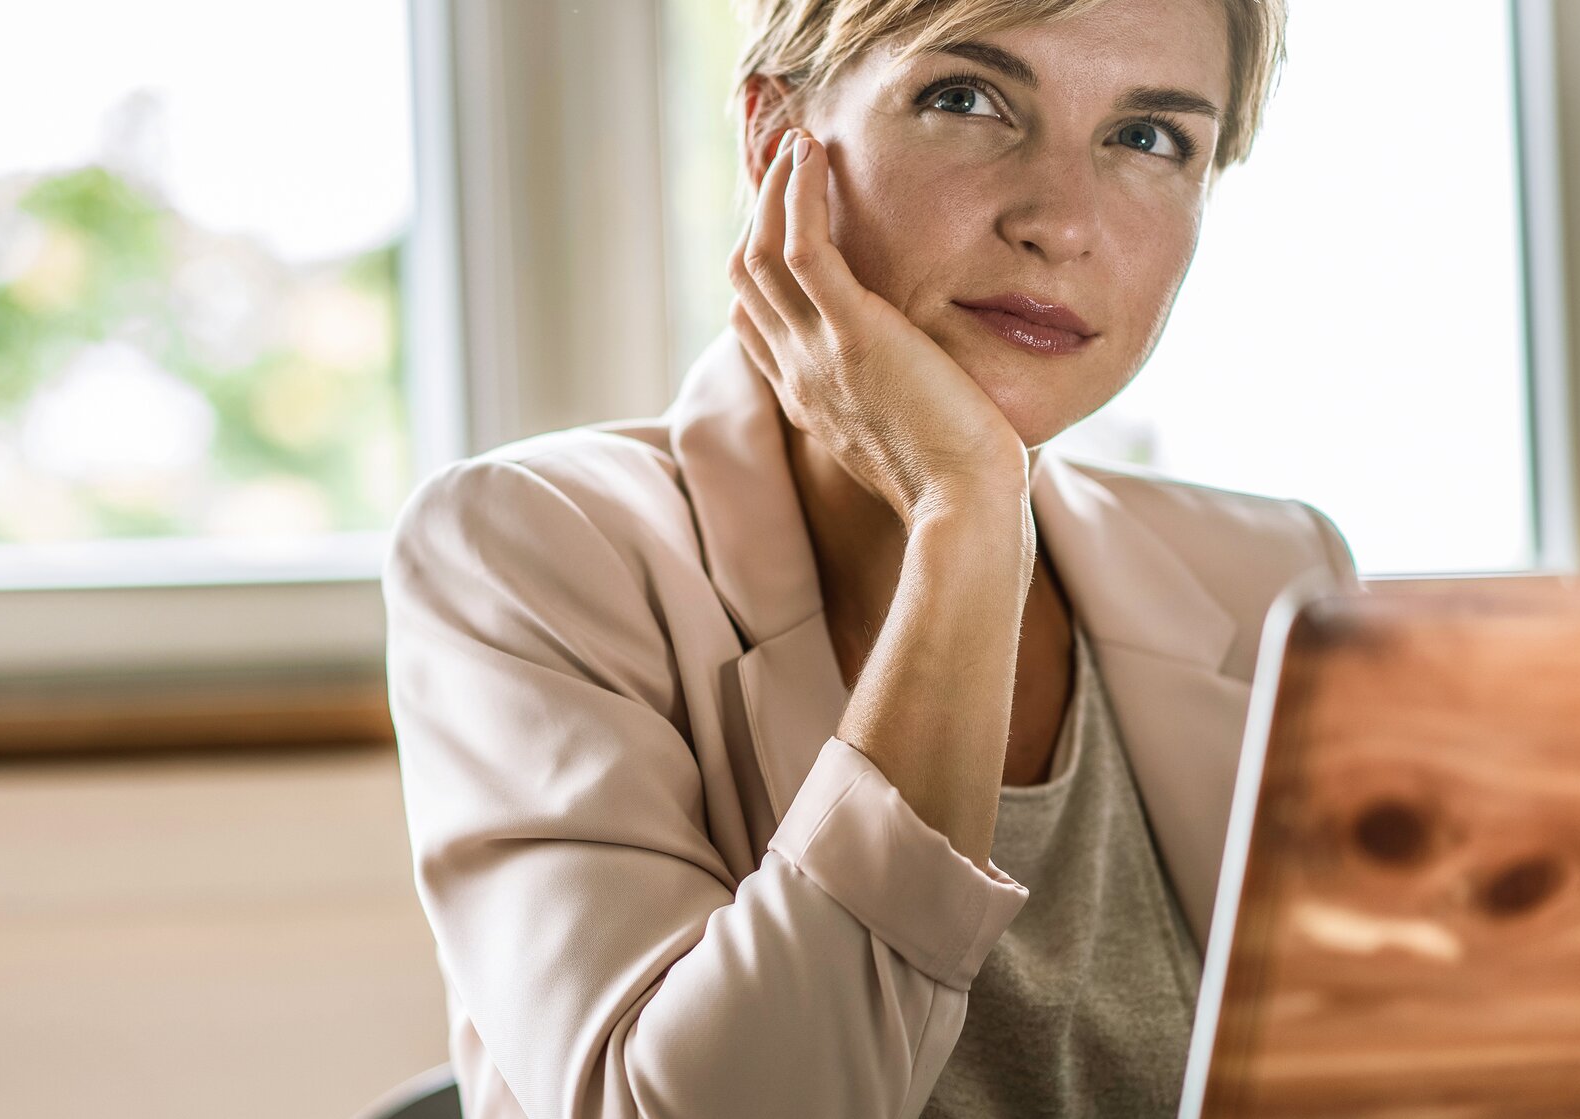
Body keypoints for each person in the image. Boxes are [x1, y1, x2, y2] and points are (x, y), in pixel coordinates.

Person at [382, 0, 1353, 1114]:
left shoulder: (1277, 572)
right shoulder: (531, 550)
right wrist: (966, 518)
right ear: (772, 141)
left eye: (1148, 138)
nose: (1061, 221)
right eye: (967, 99)